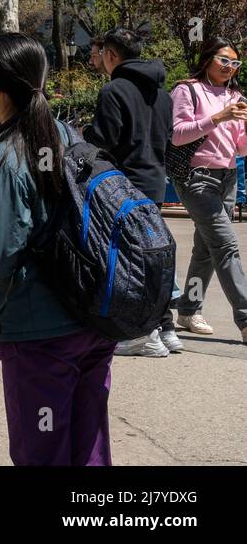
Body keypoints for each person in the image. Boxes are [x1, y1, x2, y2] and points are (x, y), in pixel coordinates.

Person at [0, 32, 116, 466]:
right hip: (92, 318)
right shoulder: (72, 137)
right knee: (89, 448)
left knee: (43, 452)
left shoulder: (4, 157)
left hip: (39, 333)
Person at [84, 27, 178, 357]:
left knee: (126, 261)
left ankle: (143, 333)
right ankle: (166, 327)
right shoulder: (163, 95)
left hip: (121, 186)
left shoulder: (115, 90)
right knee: (151, 255)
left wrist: (83, 134)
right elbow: (168, 137)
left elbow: (104, 139)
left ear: (111, 55)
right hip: (154, 182)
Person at [168, 38, 247, 346]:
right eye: (224, 60)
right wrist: (218, 117)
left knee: (206, 251)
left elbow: (240, 148)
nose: (229, 68)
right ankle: (244, 318)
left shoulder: (236, 95)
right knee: (226, 246)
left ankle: (188, 309)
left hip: (227, 177)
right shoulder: (187, 90)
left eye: (235, 63)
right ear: (207, 59)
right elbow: (177, 135)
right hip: (196, 177)